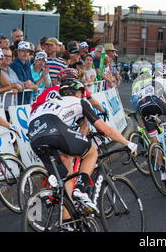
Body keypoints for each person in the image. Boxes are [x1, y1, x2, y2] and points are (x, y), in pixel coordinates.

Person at [28, 78, 138, 211]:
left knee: (66, 173)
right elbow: (105, 129)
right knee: (91, 153)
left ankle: (68, 221)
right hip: (54, 130)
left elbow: (78, 123)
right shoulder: (79, 101)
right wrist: (128, 143)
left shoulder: (53, 102)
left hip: (34, 135)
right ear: (78, 93)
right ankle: (80, 189)